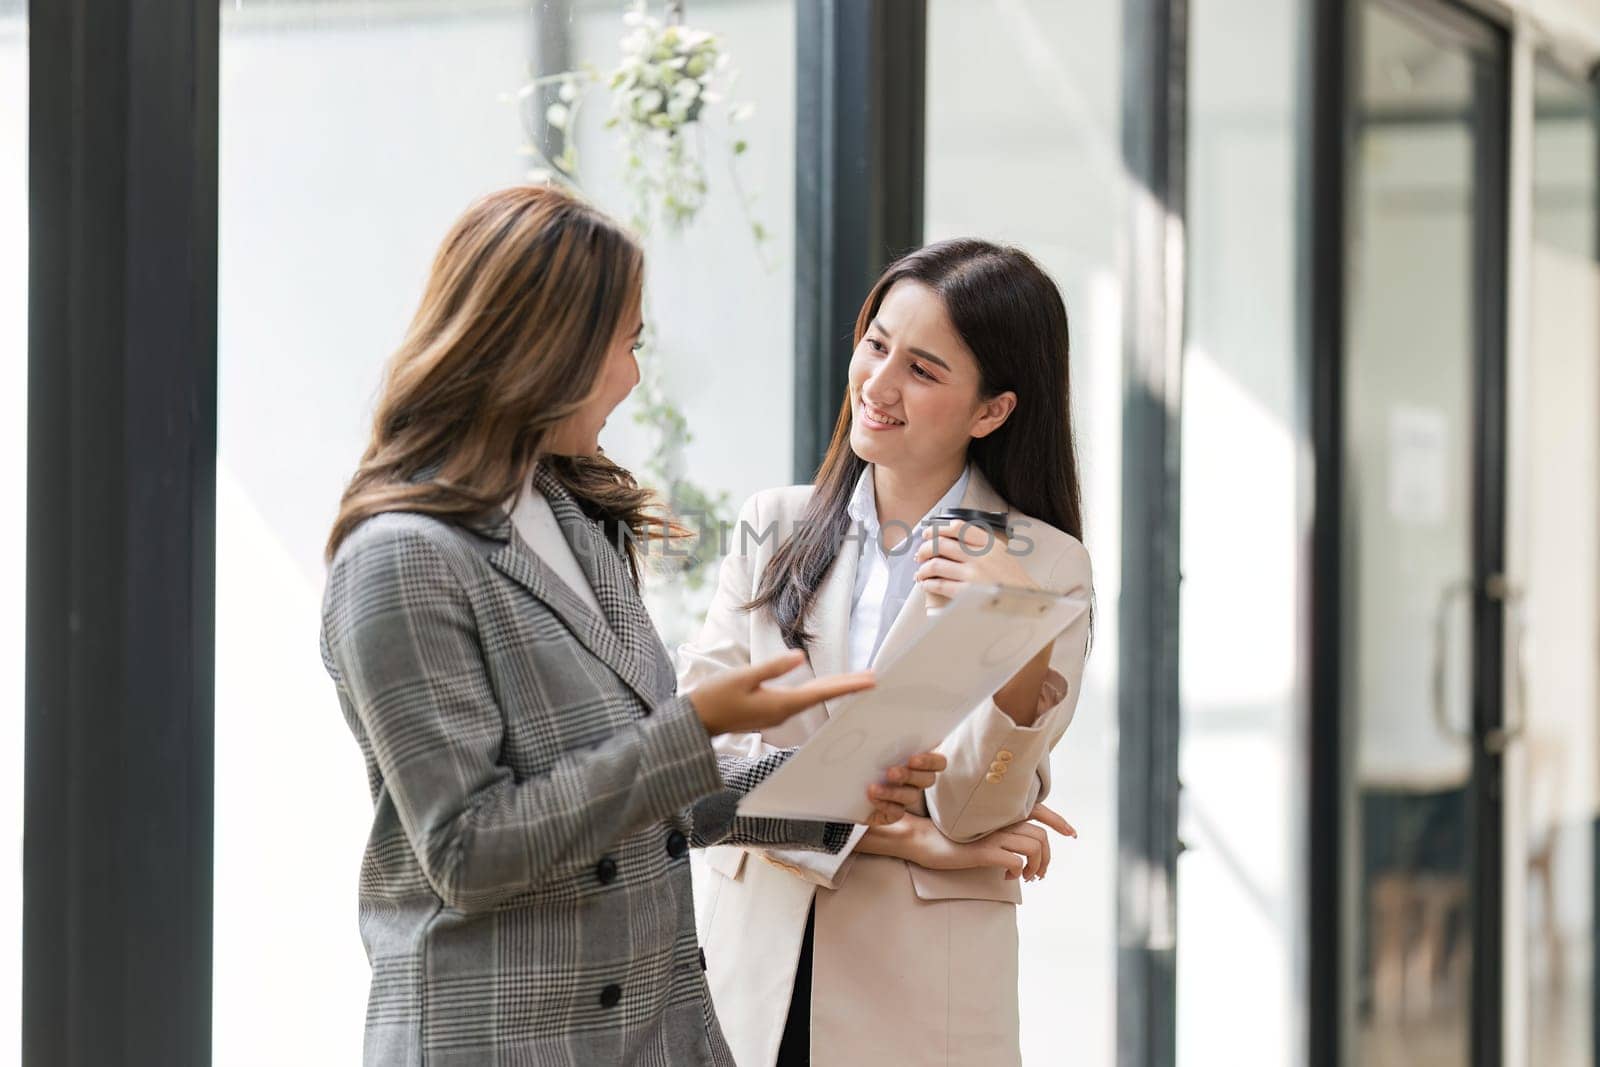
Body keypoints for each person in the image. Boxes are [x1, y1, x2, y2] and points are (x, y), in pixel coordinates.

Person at [319, 184, 945, 1065]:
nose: (634, 377)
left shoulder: (574, 512)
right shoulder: (400, 557)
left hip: (656, 1034)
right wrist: (699, 725)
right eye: (626, 343)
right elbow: (468, 850)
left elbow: (660, 795)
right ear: (550, 352)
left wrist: (841, 782)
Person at [679, 238, 1092, 1066]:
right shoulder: (774, 529)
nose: (878, 383)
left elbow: (974, 810)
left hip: (919, 1005)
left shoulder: (1045, 565)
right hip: (746, 980)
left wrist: (1012, 625)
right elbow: (693, 770)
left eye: (923, 370)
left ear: (992, 411)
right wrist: (900, 834)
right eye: (876, 345)